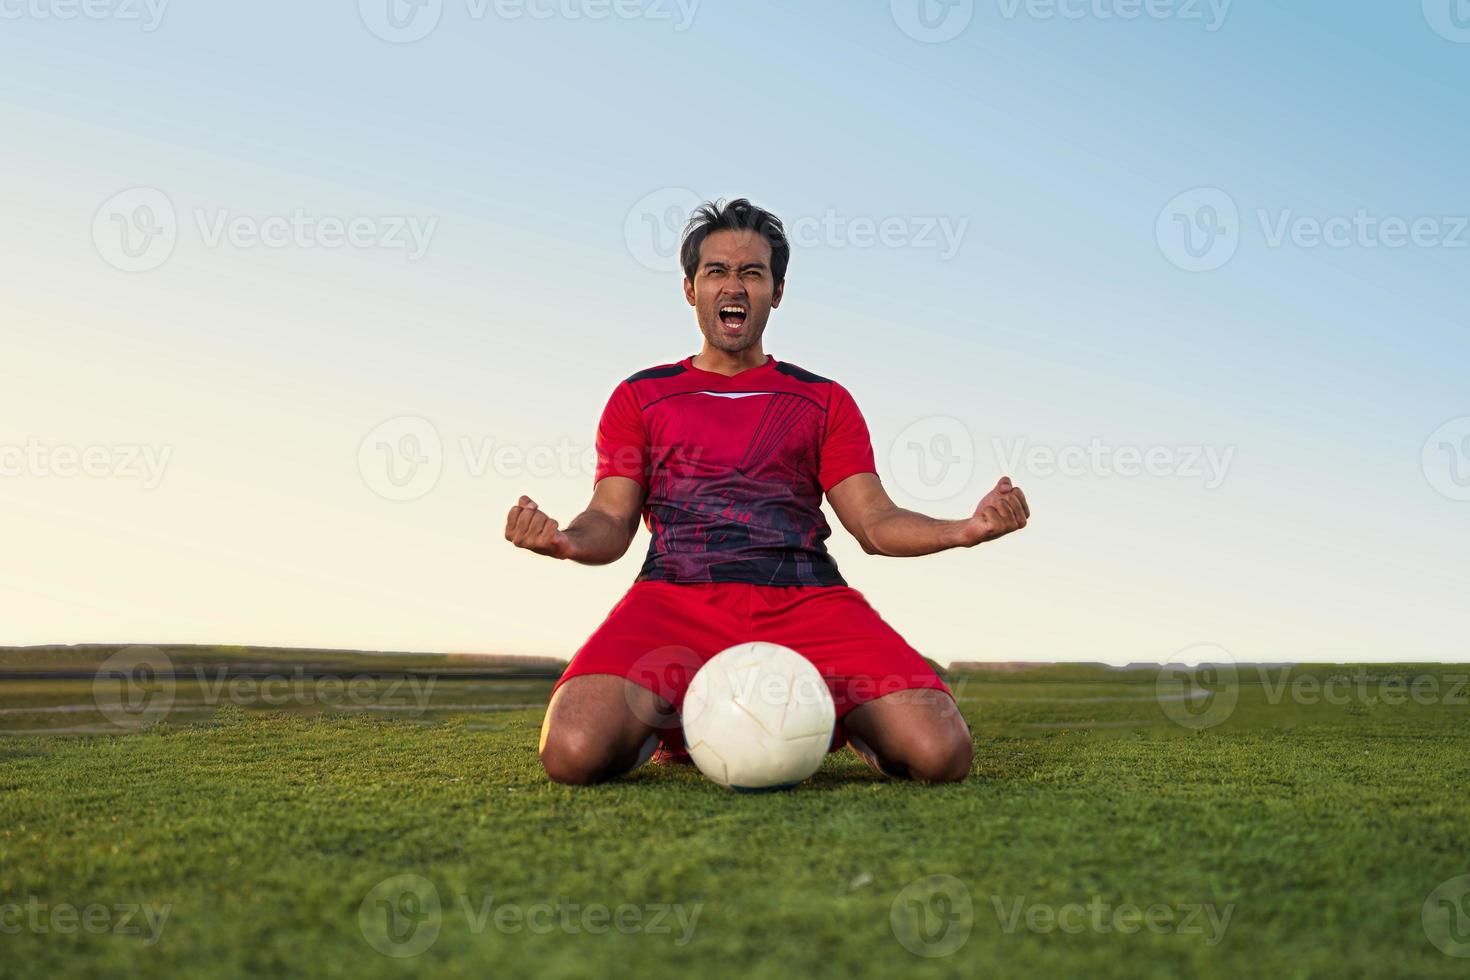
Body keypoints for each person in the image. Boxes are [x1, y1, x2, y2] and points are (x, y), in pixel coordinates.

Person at [506, 198, 1029, 785]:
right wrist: (565, 541)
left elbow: (875, 523)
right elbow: (610, 517)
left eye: (752, 272)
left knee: (941, 754)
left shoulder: (823, 399)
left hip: (807, 601)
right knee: (573, 752)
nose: (735, 285)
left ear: (776, 292)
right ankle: (670, 721)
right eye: (717, 272)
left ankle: (834, 715)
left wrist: (964, 529)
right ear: (690, 289)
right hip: (675, 598)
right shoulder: (640, 396)